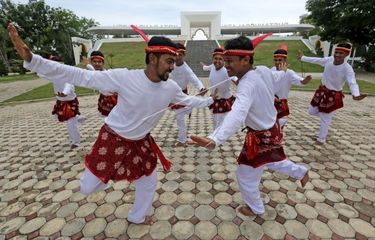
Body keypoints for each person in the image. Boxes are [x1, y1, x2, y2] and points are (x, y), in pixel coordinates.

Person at [8, 23, 214, 225]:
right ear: (153, 58)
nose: (172, 66)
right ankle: (108, 175)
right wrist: (33, 60)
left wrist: (209, 101)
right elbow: (81, 76)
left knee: (148, 181)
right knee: (87, 188)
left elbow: (188, 100)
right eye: (169, 61)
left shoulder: (170, 87)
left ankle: (137, 216)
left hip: (140, 143)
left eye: (173, 61)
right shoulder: (124, 77)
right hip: (113, 139)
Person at [190, 36, 309, 216]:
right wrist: (284, 72)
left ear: (245, 60)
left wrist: (215, 139)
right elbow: (277, 75)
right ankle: (300, 172)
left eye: (229, 61)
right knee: (271, 162)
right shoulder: (262, 70)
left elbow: (237, 114)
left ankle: (256, 208)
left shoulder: (246, 84)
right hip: (270, 130)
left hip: (262, 136)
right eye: (225, 60)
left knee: (246, 174)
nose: (226, 65)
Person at [298, 43, 367, 144]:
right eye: (336, 52)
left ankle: (321, 139)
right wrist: (303, 57)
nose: (338, 55)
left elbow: (352, 82)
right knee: (311, 111)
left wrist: (356, 95)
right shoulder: (329, 60)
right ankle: (325, 116)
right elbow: (317, 60)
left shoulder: (347, 68)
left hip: (333, 96)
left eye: (341, 53)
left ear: (346, 55)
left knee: (325, 119)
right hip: (321, 91)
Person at [169, 43, 208, 147]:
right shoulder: (171, 65)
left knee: (179, 117)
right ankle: (189, 108)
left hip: (182, 95)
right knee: (176, 114)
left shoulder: (186, 69)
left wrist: (201, 88)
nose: (177, 57)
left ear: (183, 55)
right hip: (171, 95)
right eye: (175, 54)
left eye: (180, 54)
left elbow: (194, 78)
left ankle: (182, 140)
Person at [48, 55, 86, 149]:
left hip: (69, 101)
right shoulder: (53, 74)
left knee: (70, 123)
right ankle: (78, 118)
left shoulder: (67, 73)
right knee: (58, 117)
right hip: (60, 101)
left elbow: (69, 85)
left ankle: (75, 142)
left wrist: (65, 93)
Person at [271, 45, 312, 127]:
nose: (277, 62)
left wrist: (305, 81)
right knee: (269, 126)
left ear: (285, 60)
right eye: (275, 60)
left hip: (281, 102)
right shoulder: (271, 70)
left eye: (280, 60)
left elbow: (300, 81)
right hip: (270, 102)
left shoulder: (289, 73)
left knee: (280, 125)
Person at [201, 47, 236, 129]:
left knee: (220, 124)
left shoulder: (227, 71)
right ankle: (217, 138)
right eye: (215, 58)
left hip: (224, 101)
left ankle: (217, 139)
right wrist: (203, 66)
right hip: (214, 99)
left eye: (220, 59)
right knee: (216, 122)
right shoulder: (212, 66)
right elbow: (206, 68)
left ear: (224, 60)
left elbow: (237, 80)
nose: (217, 61)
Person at [84, 51, 118, 117]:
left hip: (113, 98)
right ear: (91, 62)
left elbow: (97, 76)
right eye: (94, 61)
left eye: (99, 62)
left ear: (103, 63)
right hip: (104, 97)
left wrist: (88, 66)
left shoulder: (106, 73)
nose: (97, 64)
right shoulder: (94, 73)